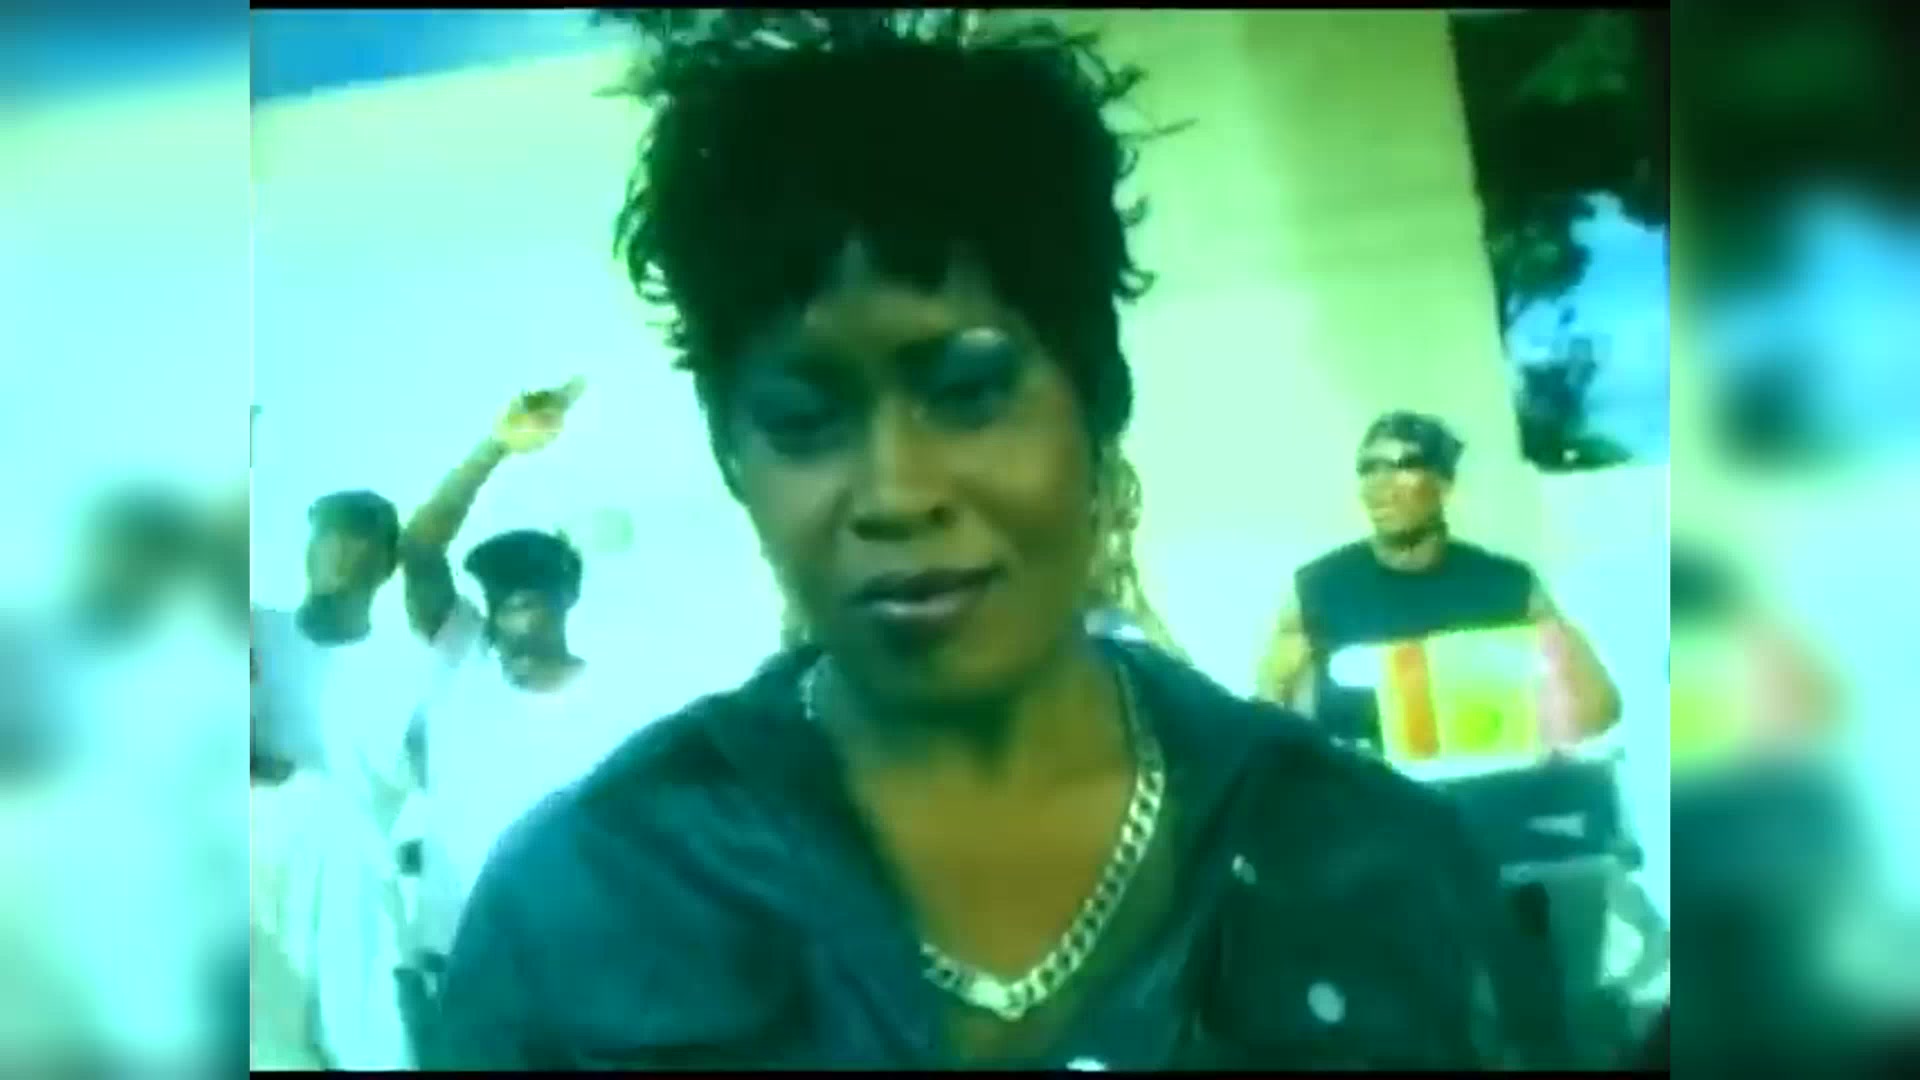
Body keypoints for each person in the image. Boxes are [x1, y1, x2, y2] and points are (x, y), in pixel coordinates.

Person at [431, 13, 1568, 1069]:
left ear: (1098, 402)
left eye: (970, 392)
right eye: (804, 419)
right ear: (734, 456)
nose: (897, 492)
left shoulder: (1377, 871)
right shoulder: (595, 911)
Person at [396, 379, 633, 977]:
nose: (511, 618)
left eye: (529, 601)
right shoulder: (462, 660)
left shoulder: (615, 707)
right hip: (453, 968)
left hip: (565, 971)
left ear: (566, 600)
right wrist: (493, 448)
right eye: (499, 601)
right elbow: (418, 549)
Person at [1254, 410, 1620, 751]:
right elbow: (1271, 721)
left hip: (1489, 788)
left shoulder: (1508, 585)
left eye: (1402, 466)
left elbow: (1600, 706)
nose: (1380, 485)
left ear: (1444, 483)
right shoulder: (1318, 588)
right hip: (1365, 792)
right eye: (1368, 468)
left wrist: (1523, 727)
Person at [251, 490, 424, 836]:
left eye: (355, 535)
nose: (336, 548)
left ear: (389, 564)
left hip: (352, 864)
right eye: (324, 534)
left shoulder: (407, 677)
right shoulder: (254, 631)